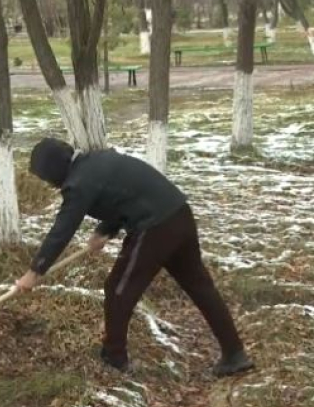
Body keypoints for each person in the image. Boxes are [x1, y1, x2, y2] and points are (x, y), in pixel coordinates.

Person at [16, 137, 254, 377]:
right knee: (199, 285)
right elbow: (124, 195)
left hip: (155, 227)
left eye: (46, 178)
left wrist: (36, 271)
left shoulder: (78, 182)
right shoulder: (97, 161)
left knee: (118, 289)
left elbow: (62, 229)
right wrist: (104, 230)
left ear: (54, 170)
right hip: (179, 214)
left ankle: (114, 357)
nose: (48, 184)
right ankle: (235, 353)